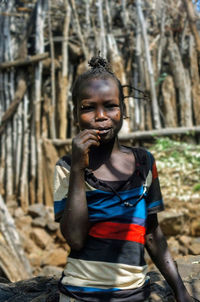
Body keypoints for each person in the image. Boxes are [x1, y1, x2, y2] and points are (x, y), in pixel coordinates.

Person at [53, 56, 193, 302]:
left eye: (110, 106)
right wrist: (78, 169)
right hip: (79, 295)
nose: (100, 116)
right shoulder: (66, 167)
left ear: (123, 111)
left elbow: (151, 233)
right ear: (75, 115)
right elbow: (74, 238)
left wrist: (180, 291)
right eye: (88, 108)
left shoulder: (144, 163)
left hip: (135, 295)